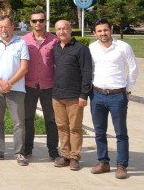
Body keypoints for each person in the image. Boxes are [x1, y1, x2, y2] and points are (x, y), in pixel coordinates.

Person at [89, 19, 138, 179]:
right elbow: (90, 70)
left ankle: (121, 165)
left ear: (111, 30)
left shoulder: (123, 47)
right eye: (99, 31)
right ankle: (103, 162)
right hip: (97, 95)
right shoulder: (92, 48)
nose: (103, 33)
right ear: (95, 33)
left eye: (105, 30)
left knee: (120, 132)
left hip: (117, 95)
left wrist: (128, 90)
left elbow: (133, 69)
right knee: (99, 132)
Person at [0, 15, 29, 165]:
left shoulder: (21, 43)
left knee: (18, 123)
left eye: (6, 26)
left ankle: (19, 153)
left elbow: (24, 68)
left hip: (16, 89)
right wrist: (0, 83)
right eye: (0, 27)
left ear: (12, 27)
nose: (3, 30)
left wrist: (8, 83)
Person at [51, 20, 92, 171]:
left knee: (74, 127)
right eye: (59, 29)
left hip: (75, 96)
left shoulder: (81, 49)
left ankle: (75, 157)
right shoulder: (55, 48)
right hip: (57, 95)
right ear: (56, 31)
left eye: (64, 29)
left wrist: (84, 94)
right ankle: (65, 155)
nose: (62, 32)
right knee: (61, 127)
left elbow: (87, 73)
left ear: (70, 29)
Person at [22, 10, 59, 160]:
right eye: (35, 21)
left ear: (46, 21)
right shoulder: (23, 40)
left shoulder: (54, 40)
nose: (38, 23)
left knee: (51, 119)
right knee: (28, 118)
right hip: (29, 85)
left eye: (41, 20)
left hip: (48, 85)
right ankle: (27, 148)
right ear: (30, 23)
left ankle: (53, 150)